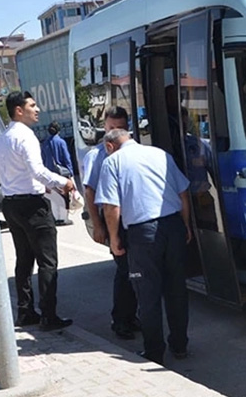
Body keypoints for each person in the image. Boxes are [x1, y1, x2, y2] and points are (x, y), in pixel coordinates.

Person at [96, 129, 192, 365]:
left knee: (148, 294)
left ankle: (154, 351)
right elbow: (183, 193)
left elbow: (111, 207)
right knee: (176, 290)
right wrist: (186, 225)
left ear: (110, 146)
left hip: (142, 234)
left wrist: (114, 238)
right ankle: (180, 345)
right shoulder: (160, 154)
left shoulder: (112, 162)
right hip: (173, 226)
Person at [0, 91, 74, 331]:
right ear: (19, 110)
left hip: (11, 204)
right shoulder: (25, 136)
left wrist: (40, 187)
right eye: (32, 105)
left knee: (24, 259)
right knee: (48, 261)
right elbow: (38, 170)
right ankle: (49, 316)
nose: (37, 109)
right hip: (31, 206)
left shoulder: (2, 138)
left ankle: (26, 311)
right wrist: (63, 183)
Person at [81, 106, 139, 340]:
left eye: (120, 128)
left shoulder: (132, 151)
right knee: (125, 273)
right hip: (113, 221)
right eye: (111, 127)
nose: (114, 132)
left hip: (133, 219)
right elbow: (90, 193)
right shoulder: (97, 156)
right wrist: (98, 226)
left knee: (136, 272)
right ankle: (120, 320)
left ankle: (130, 316)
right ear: (104, 126)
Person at [41, 121, 74, 226]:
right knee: (64, 196)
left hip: (49, 173)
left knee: (54, 196)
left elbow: (43, 159)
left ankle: (56, 218)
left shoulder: (44, 143)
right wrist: (71, 173)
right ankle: (64, 218)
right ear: (59, 130)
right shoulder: (61, 142)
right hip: (61, 174)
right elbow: (66, 158)